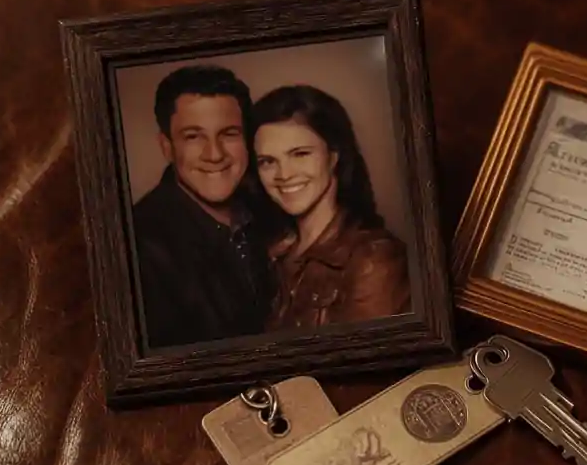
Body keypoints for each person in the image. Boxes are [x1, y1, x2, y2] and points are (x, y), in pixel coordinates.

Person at [131, 65, 273, 348]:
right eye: (193, 136)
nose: (215, 154)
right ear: (167, 147)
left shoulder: (270, 209)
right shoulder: (138, 247)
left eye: (229, 133)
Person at [251, 85, 411, 330]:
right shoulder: (271, 252)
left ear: (334, 156)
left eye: (300, 154)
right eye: (267, 161)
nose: (283, 174)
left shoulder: (377, 260)